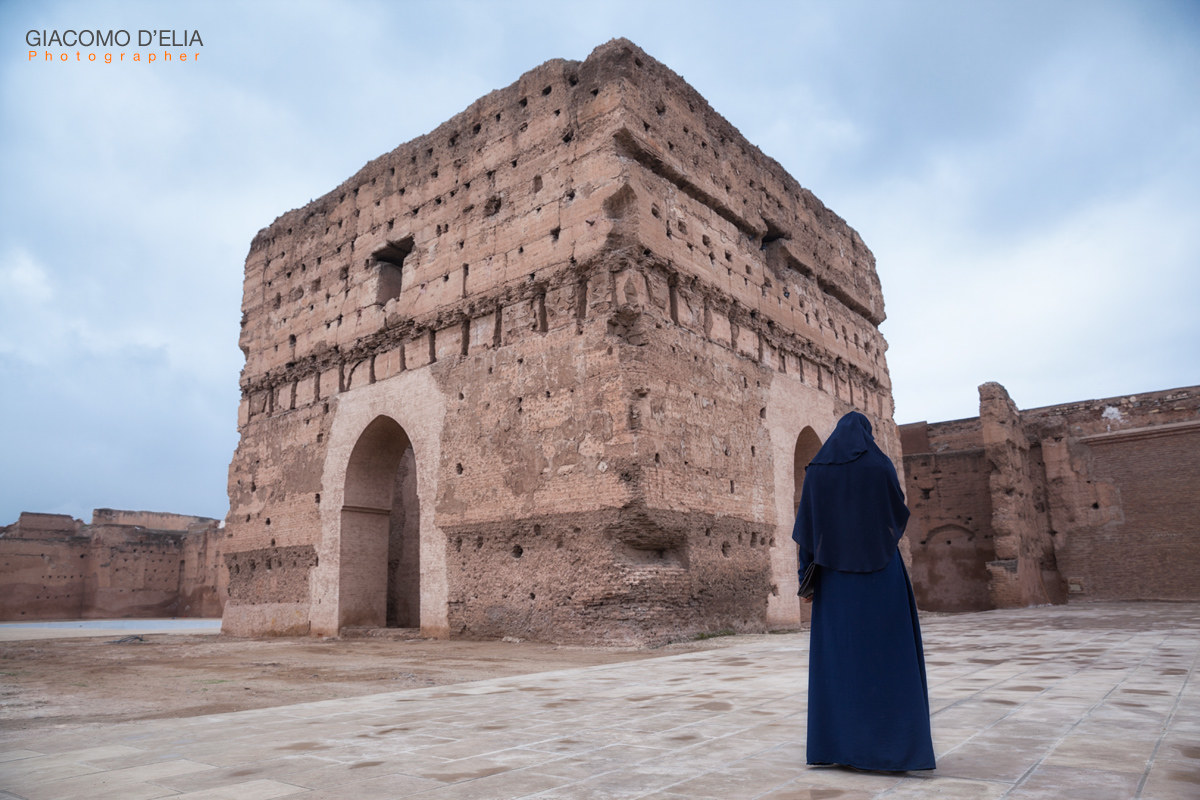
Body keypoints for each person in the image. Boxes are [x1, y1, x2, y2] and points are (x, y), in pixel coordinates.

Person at [791, 410, 935, 772]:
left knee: (840, 665)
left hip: (835, 583)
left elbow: (806, 532)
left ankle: (839, 746)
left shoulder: (817, 471)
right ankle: (896, 748)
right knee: (889, 661)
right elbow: (897, 513)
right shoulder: (879, 465)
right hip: (881, 576)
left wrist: (803, 579)